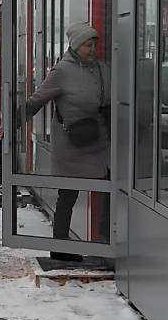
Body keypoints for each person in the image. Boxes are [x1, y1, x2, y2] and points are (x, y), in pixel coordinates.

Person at [24, 21, 110, 257]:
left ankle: (105, 240)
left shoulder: (101, 69)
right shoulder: (61, 71)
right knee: (68, 195)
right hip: (71, 145)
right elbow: (36, 100)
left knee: (108, 187)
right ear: (75, 46)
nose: (91, 49)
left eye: (93, 44)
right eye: (86, 45)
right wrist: (16, 119)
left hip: (97, 142)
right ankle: (60, 248)